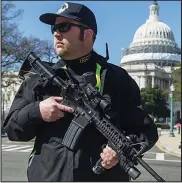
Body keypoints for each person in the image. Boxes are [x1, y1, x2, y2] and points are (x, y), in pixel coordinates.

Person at [4, 2, 158, 182]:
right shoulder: (40, 77)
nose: (56, 33)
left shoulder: (117, 78)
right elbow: (13, 130)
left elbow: (145, 131)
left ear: (87, 34)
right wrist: (37, 111)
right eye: (54, 28)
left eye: (64, 26)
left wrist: (118, 150)